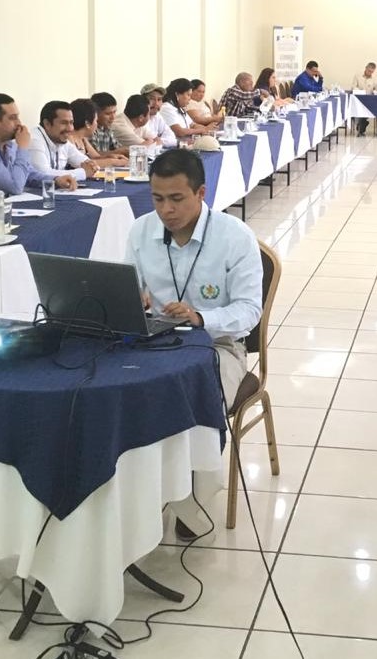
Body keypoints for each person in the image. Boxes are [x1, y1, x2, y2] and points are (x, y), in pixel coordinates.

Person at [124, 148, 262, 539]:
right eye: (157, 199)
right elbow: (127, 287)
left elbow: (250, 310)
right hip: (155, 339)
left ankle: (192, 500)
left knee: (195, 396)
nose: (165, 210)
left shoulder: (234, 237)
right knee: (114, 390)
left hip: (219, 346)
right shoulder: (141, 232)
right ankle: (136, 491)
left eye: (176, 198)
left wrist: (201, 318)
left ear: (201, 193)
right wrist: (133, 300)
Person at [26, 100, 98, 184]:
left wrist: (91, 165)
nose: (70, 128)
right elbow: (43, 174)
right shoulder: (34, 140)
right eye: (64, 123)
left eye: (71, 123)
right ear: (47, 124)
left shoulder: (60, 139)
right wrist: (83, 173)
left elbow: (83, 161)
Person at [68, 98, 129, 168]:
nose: (97, 125)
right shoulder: (70, 139)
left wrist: (111, 157)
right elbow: (83, 164)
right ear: (87, 123)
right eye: (96, 121)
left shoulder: (83, 139)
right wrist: (114, 162)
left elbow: (96, 157)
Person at [88, 92, 125, 156]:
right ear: (95, 114)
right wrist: (118, 152)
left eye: (114, 112)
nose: (113, 117)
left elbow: (117, 148)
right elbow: (93, 155)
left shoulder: (107, 128)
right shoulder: (89, 130)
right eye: (108, 114)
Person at [351, 62, 377, 136]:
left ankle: (361, 126)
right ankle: (362, 125)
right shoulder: (357, 76)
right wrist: (360, 91)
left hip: (370, 100)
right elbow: (353, 87)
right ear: (365, 68)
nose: (370, 73)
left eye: (372, 71)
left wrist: (376, 91)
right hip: (358, 99)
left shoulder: (376, 78)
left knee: (367, 110)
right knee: (355, 110)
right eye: (369, 71)